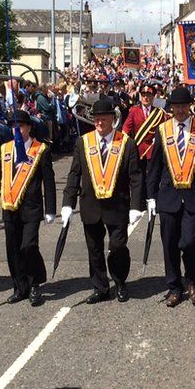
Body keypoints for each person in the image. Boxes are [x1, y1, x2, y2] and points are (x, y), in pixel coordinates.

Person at [61, 98, 144, 303]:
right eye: (97, 118)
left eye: (104, 118)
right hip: (91, 205)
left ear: (112, 119)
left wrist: (136, 206)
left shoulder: (127, 143)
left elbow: (136, 177)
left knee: (117, 247)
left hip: (118, 206)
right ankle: (101, 288)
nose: (99, 122)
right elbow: (74, 174)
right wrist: (67, 202)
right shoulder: (83, 142)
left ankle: (120, 282)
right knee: (94, 249)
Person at [147, 87, 195, 307]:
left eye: (183, 106)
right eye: (176, 106)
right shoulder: (162, 130)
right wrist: (150, 196)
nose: (179, 110)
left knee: (189, 241)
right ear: (170, 108)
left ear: (190, 106)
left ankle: (192, 282)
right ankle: (174, 287)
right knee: (169, 243)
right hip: (168, 195)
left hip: (194, 194)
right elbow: (154, 166)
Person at [0, 110, 56, 306]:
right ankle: (20, 287)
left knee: (29, 246)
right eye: (14, 127)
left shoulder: (40, 149)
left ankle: (35, 284)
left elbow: (48, 181)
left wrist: (51, 208)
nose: (18, 130)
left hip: (32, 208)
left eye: (21, 126)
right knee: (13, 249)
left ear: (29, 127)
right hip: (10, 206)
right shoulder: (5, 149)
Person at [120, 83, 168, 194]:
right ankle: (140, 201)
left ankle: (152, 198)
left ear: (153, 97)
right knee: (139, 176)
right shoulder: (134, 111)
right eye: (143, 95)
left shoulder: (159, 113)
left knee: (154, 175)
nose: (146, 98)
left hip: (154, 148)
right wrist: (127, 143)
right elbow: (126, 128)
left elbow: (165, 129)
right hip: (138, 148)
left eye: (149, 95)